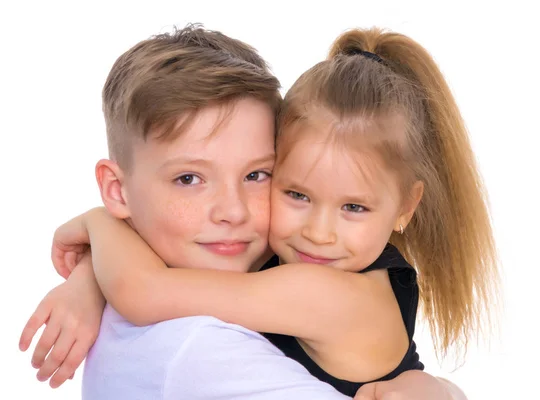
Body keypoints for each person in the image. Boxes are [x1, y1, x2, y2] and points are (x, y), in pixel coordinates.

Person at [19, 24, 469, 400]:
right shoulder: (286, 271)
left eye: (255, 175)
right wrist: (89, 279)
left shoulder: (321, 289)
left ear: (406, 208)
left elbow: (144, 289)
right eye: (296, 194)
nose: (318, 233)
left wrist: (98, 224)